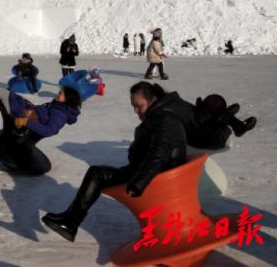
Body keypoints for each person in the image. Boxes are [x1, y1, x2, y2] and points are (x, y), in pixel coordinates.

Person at [41, 81, 187, 242]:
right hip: (146, 172)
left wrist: (138, 183)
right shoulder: (160, 115)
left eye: (139, 106)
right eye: (133, 107)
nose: (136, 111)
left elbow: (159, 154)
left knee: (97, 174)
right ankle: (70, 221)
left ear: (153, 99)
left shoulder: (165, 118)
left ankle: (70, 222)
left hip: (156, 179)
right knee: (97, 173)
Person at [0, 61, 81, 139]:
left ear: (68, 99)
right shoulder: (59, 107)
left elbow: (48, 131)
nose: (58, 94)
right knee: (10, 95)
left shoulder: (60, 114)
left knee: (6, 95)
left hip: (25, 119)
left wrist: (26, 122)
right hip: (30, 112)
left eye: (61, 94)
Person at [190, 94, 257, 149]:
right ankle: (239, 127)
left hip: (190, 134)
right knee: (219, 121)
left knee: (202, 116)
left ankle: (223, 113)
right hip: (207, 142)